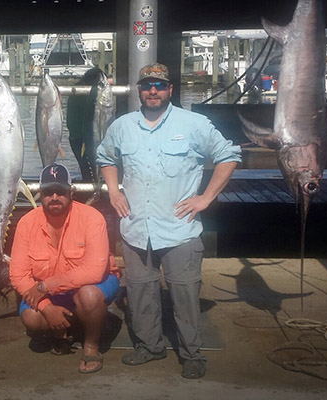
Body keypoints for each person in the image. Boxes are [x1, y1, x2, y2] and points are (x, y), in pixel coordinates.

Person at [96, 63, 241, 379]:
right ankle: (150, 346)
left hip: (179, 230)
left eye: (159, 86)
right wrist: (113, 192)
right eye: (147, 85)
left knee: (185, 295)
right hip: (136, 230)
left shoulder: (193, 124)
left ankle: (192, 353)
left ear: (170, 90)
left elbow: (229, 156)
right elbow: (105, 158)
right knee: (140, 293)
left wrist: (205, 198)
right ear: (138, 90)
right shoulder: (122, 126)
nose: (152, 91)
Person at [9, 163, 120, 374]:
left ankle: (91, 346)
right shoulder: (26, 223)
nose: (54, 197)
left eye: (60, 191)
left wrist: (44, 286)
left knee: (88, 296)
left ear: (71, 192)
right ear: (40, 193)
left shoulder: (92, 218)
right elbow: (18, 274)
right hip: (50, 292)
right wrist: (47, 308)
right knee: (31, 317)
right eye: (48, 192)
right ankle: (71, 322)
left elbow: (94, 271)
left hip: (95, 284)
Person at [66, 68, 102, 182]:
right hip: (86, 137)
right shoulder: (89, 93)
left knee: (85, 168)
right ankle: (94, 188)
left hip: (74, 137)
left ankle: (90, 187)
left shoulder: (76, 90)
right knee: (92, 166)